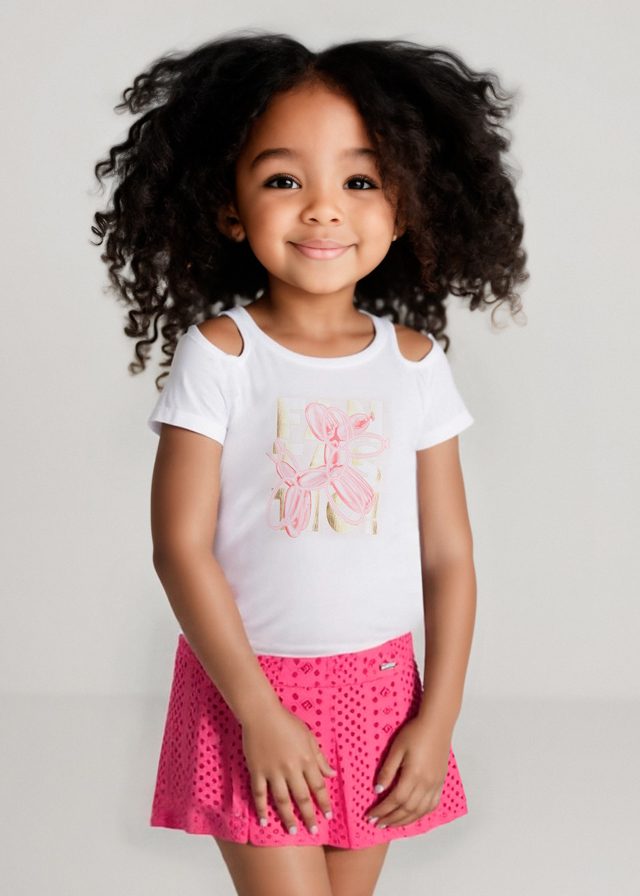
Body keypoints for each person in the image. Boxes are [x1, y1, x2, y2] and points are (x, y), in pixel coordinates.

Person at [92, 30, 528, 896]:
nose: (324, 209)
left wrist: (438, 718)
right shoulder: (222, 355)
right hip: (247, 692)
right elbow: (180, 548)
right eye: (284, 180)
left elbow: (449, 556)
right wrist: (258, 712)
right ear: (229, 206)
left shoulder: (415, 363)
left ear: (406, 206)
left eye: (360, 181)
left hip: (382, 694)